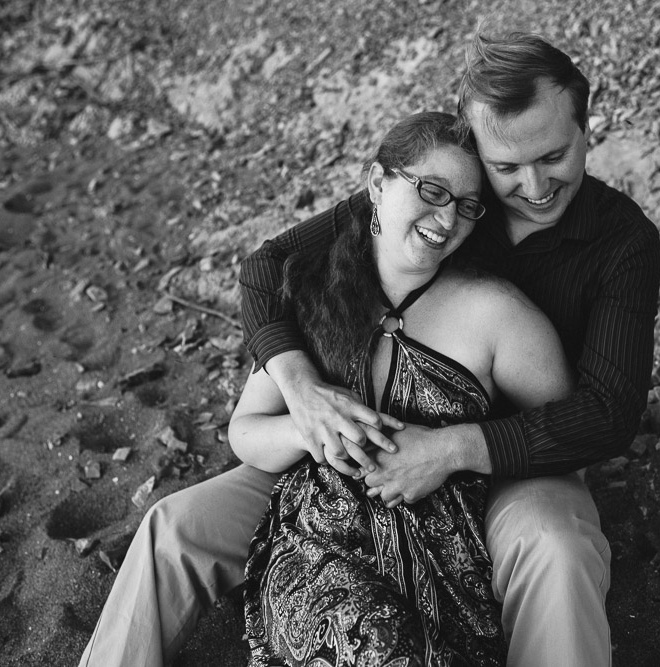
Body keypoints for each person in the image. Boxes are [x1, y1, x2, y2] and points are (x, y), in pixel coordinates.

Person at [80, 31, 660, 667]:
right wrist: (303, 390)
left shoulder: (621, 241)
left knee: (558, 547)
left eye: (554, 156)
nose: (533, 185)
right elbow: (269, 265)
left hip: (518, 452)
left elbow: (607, 413)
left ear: (585, 126)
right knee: (174, 525)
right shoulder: (446, 194)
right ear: (476, 144)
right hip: (351, 452)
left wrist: (453, 448)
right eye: (506, 167)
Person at [229, 110, 572, 665]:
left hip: (448, 570)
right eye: (432, 190)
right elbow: (244, 433)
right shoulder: (313, 296)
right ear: (376, 184)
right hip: (319, 545)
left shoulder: (499, 314)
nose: (447, 217)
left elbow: (567, 435)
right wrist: (309, 423)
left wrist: (454, 450)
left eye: (465, 205)